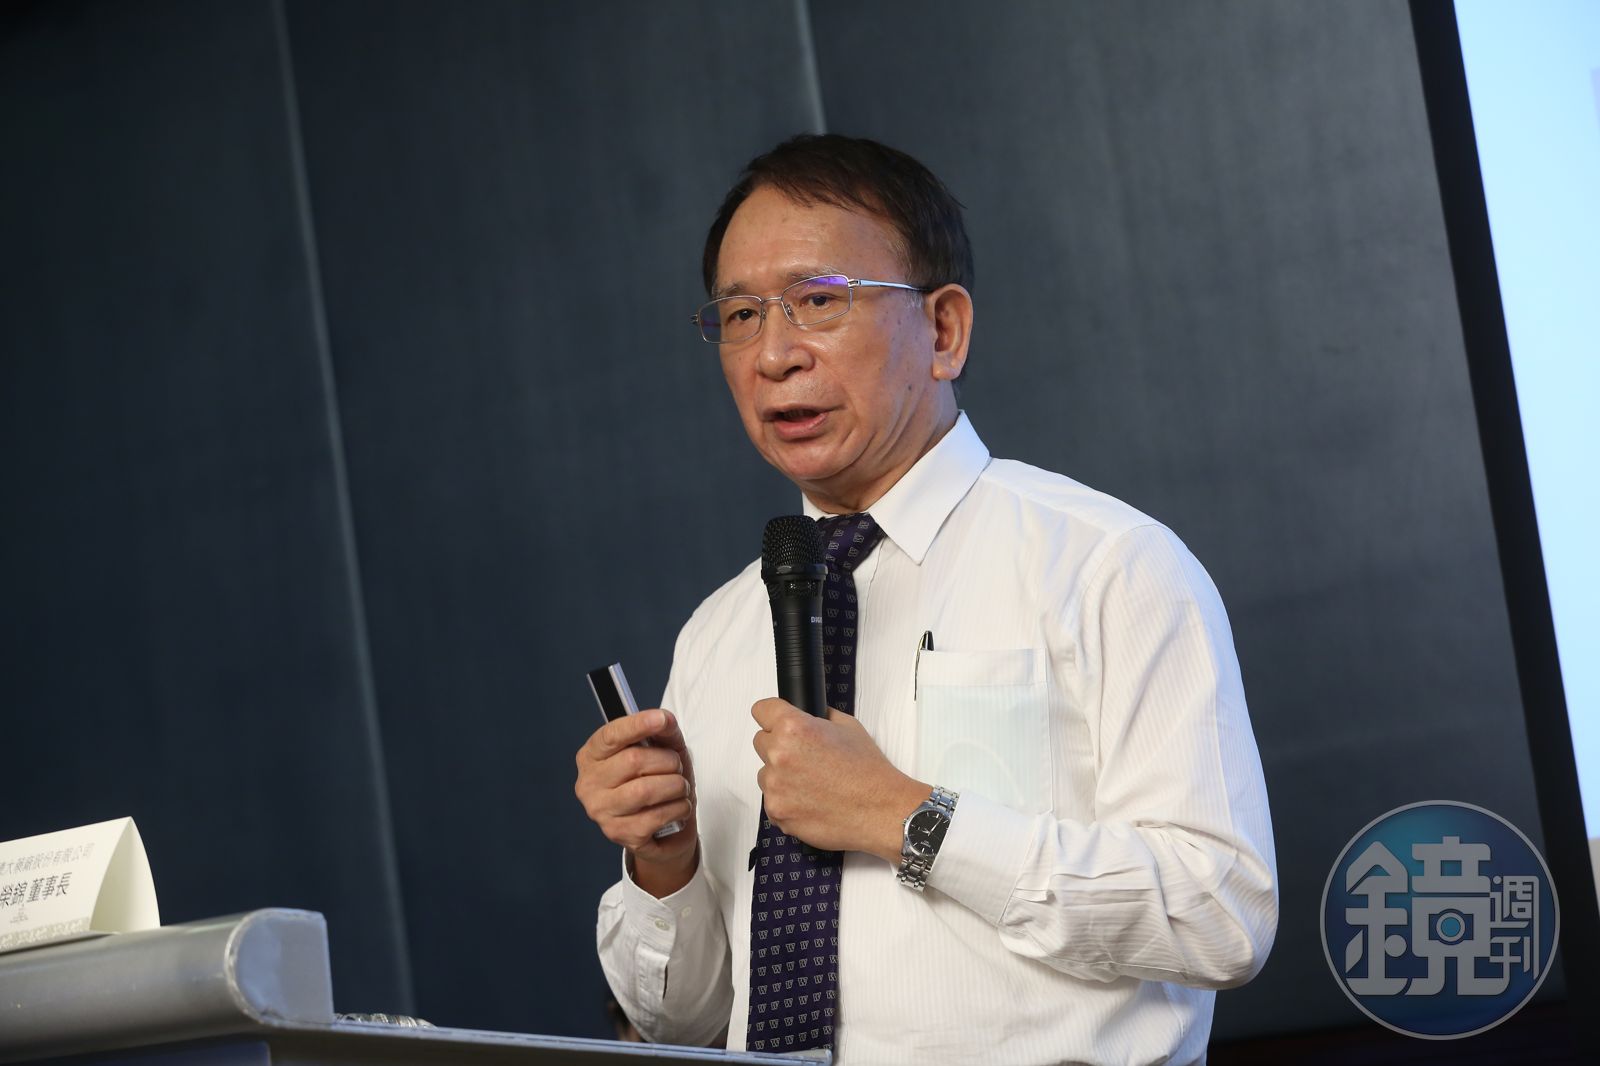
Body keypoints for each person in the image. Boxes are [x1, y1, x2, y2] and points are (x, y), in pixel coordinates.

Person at [573, 134, 1277, 1064]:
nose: (773, 353)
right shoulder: (716, 632)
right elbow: (683, 1023)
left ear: (943, 331)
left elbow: (1220, 913)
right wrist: (665, 861)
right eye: (741, 314)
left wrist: (905, 817)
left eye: (818, 301)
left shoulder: (1108, 565)